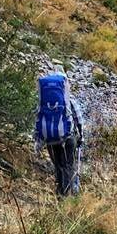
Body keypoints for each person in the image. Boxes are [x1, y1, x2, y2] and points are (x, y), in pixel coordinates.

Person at [34, 63, 85, 197]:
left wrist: (38, 140)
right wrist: (81, 137)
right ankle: (67, 195)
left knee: (58, 165)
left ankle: (60, 192)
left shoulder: (44, 101)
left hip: (50, 137)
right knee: (68, 164)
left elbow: (38, 117)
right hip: (68, 136)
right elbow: (79, 119)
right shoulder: (69, 100)